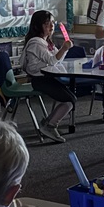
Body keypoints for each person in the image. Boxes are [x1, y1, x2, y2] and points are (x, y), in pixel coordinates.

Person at [22, 9, 75, 144]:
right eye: (47, 24)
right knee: (69, 100)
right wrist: (64, 48)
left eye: (52, 23)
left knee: (71, 99)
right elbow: (52, 61)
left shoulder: (45, 41)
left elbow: (57, 59)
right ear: (38, 26)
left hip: (47, 77)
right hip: (39, 80)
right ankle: (50, 126)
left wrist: (65, 49)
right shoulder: (36, 43)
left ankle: (48, 123)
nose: (51, 26)